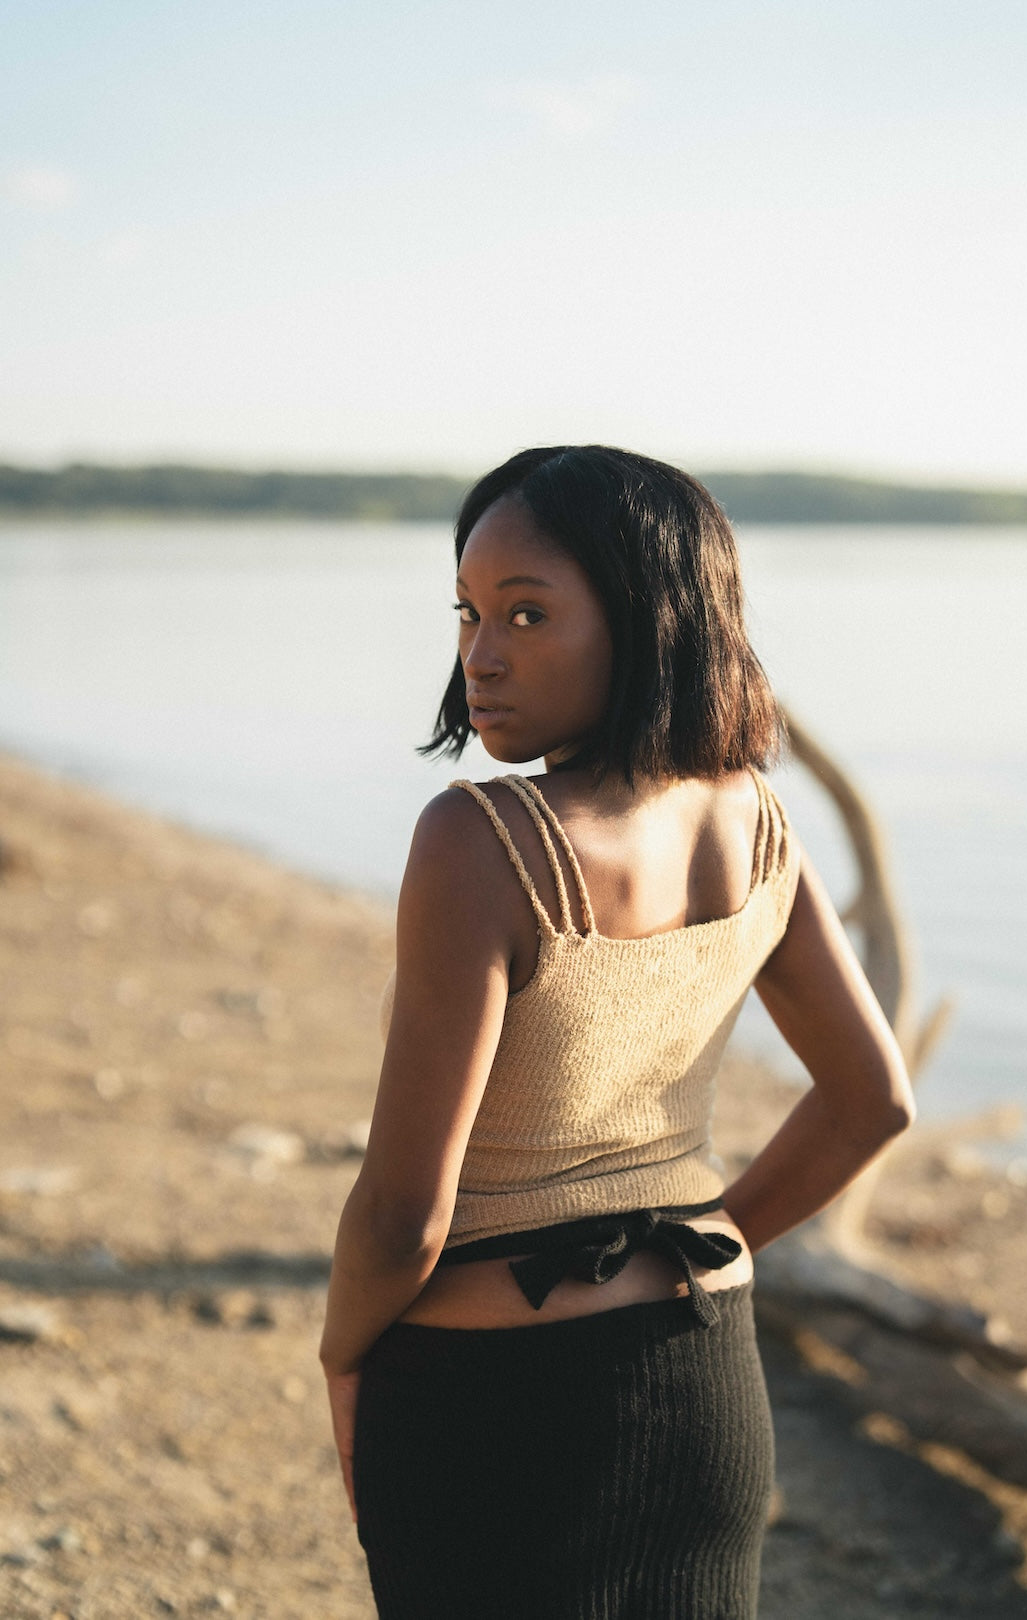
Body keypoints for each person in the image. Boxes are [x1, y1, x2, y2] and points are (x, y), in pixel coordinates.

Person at [319, 445, 915, 1620]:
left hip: (491, 1401)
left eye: (528, 614)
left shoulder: (479, 841)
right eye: (470, 613)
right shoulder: (757, 822)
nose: (480, 657)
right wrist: (700, 1233)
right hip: (705, 1373)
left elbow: (405, 1214)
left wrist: (342, 1354)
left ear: (648, 622)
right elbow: (873, 1102)